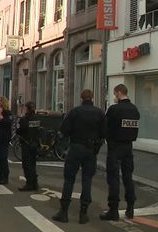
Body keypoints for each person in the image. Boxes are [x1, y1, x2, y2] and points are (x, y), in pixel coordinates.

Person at [52, 89, 105, 224]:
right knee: (87, 180)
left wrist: (62, 147)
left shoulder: (75, 112)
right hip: (90, 150)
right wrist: (96, 147)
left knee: (69, 179)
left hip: (76, 148)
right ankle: (83, 213)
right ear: (92, 98)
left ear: (81, 98)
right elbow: (104, 133)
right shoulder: (99, 113)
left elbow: (63, 131)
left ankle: (63, 212)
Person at [100, 84, 140, 221]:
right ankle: (130, 207)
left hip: (115, 147)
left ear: (118, 93)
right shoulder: (134, 109)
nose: (114, 96)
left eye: (115, 94)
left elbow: (105, 128)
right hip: (128, 147)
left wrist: (107, 140)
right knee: (128, 178)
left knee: (114, 178)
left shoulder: (114, 109)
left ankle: (113, 210)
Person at [16, 101, 40, 192]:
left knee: (26, 164)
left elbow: (19, 131)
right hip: (35, 144)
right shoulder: (37, 118)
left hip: (26, 144)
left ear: (27, 108)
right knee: (33, 164)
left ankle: (29, 183)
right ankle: (35, 182)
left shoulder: (24, 119)